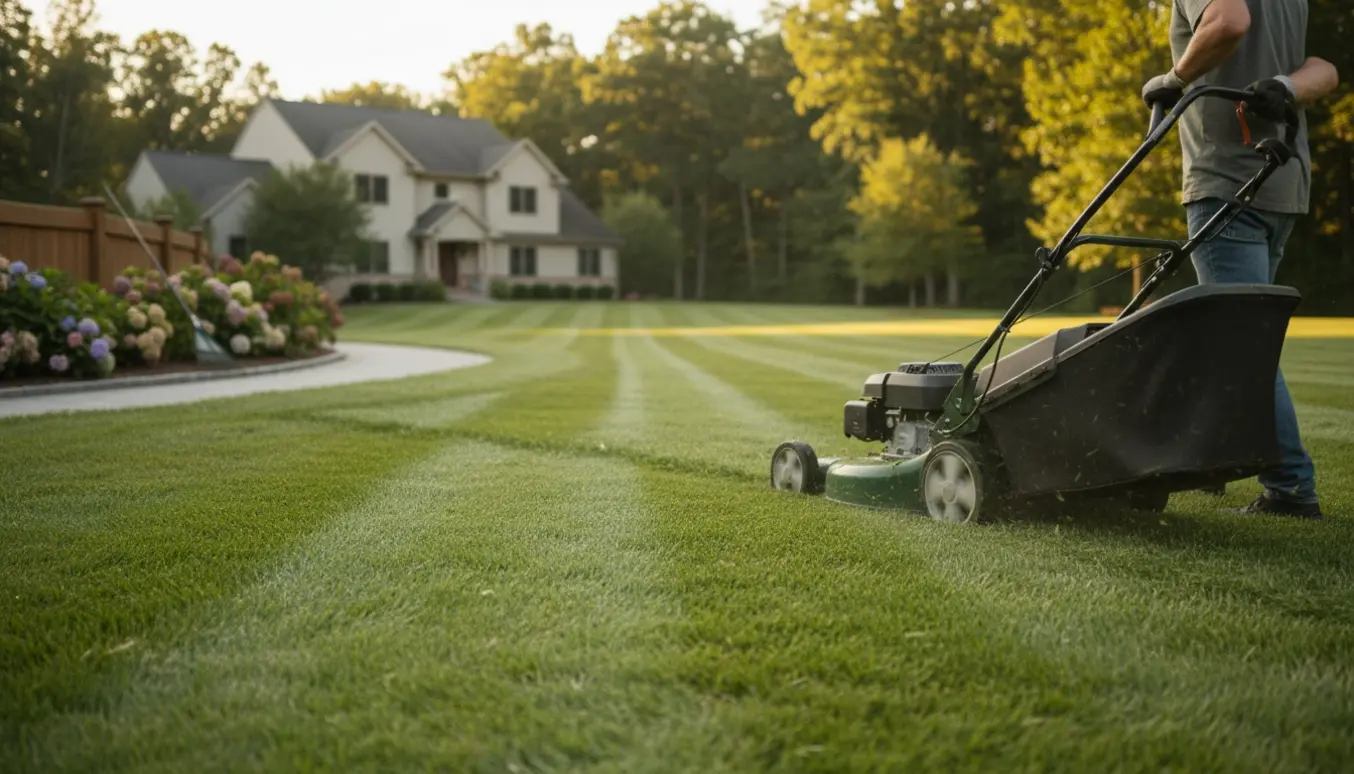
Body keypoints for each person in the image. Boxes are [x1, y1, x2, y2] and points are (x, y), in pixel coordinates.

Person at [1141, 0, 1339, 520]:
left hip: (1229, 178)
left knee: (1243, 345)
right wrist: (1288, 87)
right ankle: (1209, 459)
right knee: (1231, 337)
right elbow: (1329, 69)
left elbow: (1229, 21)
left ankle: (1291, 487)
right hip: (1284, 181)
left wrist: (1173, 76)